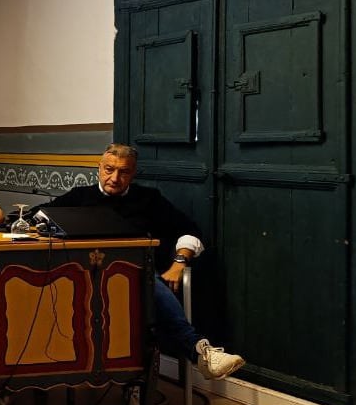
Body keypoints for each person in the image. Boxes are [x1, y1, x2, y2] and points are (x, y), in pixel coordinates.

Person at [45, 144, 245, 380]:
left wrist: (179, 262)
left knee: (146, 279)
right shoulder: (79, 197)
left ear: (134, 173)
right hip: (84, 281)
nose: (115, 178)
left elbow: (189, 231)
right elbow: (34, 218)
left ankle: (201, 354)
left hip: (137, 277)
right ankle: (198, 352)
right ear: (98, 168)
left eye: (124, 172)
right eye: (109, 169)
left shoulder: (149, 199)